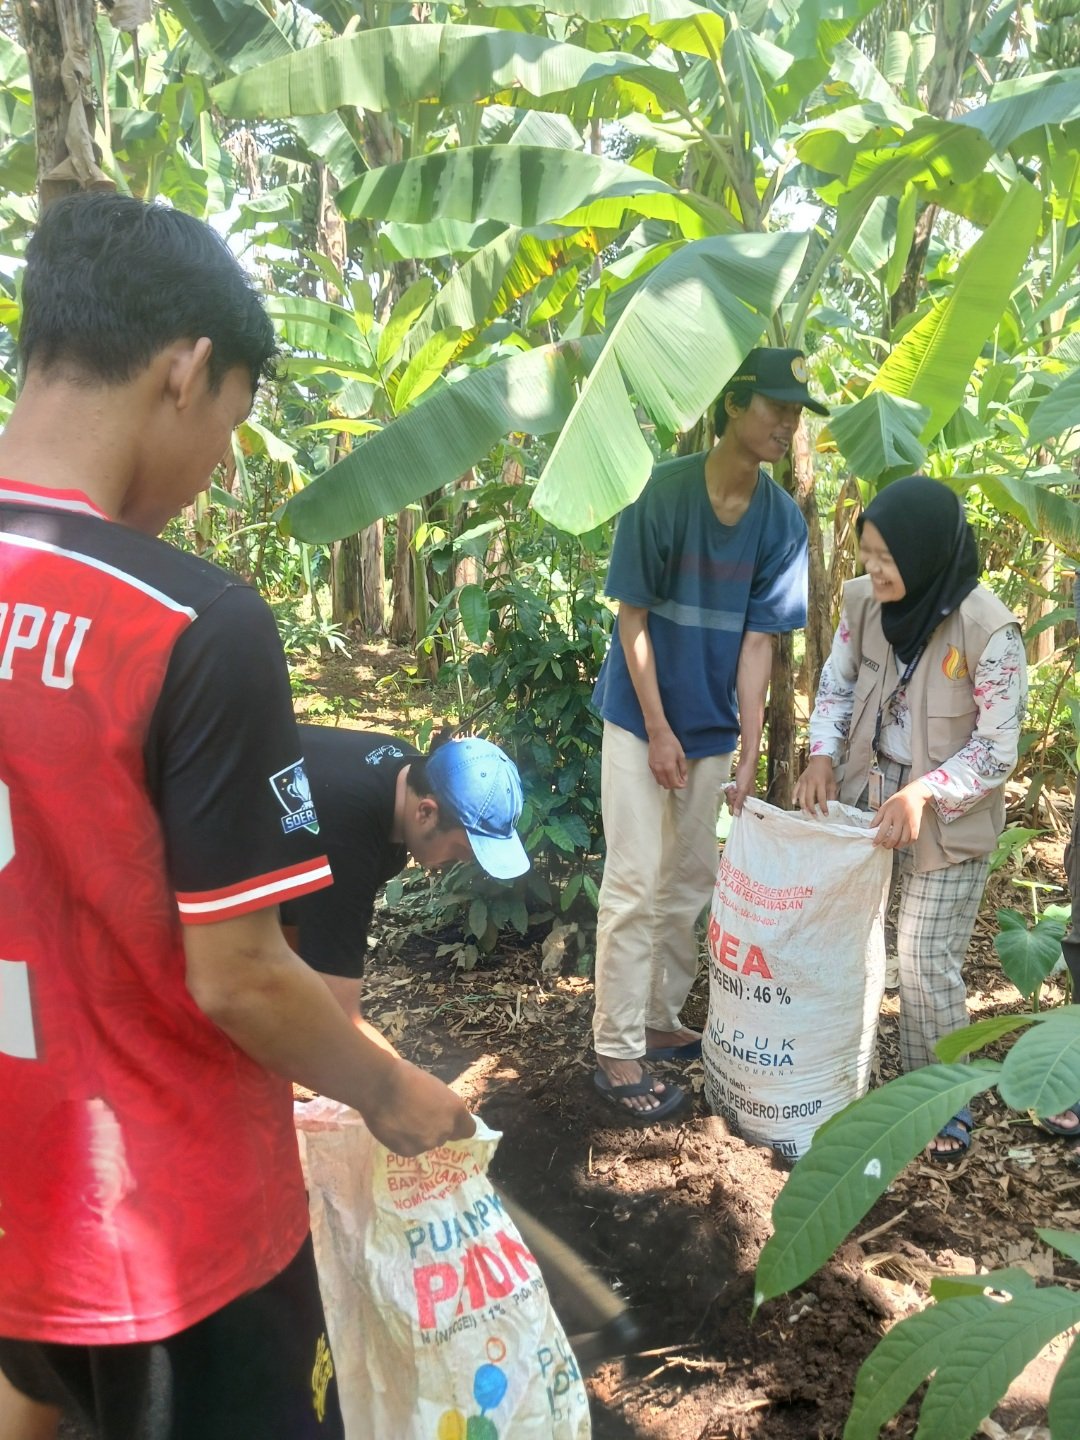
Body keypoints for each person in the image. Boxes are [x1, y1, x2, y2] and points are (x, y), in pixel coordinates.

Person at [0, 192, 471, 1440]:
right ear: (188, 369)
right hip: (171, 1233)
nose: (216, 468)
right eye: (232, 425)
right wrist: (393, 1094)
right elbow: (239, 976)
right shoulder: (188, 621)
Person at [590, 347, 822, 1121]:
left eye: (795, 414)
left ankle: (658, 1020)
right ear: (733, 406)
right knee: (632, 881)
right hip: (639, 717)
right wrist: (657, 729)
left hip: (712, 728)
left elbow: (759, 645)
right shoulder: (661, 491)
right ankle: (616, 1051)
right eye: (775, 408)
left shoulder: (782, 521)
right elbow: (633, 618)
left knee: (688, 883)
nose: (786, 425)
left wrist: (751, 744)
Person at [794, 475, 1026, 1162]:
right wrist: (821, 755)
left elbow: (996, 748)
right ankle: (845, 1075)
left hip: (951, 812)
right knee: (852, 942)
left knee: (924, 958)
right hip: (870, 795)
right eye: (866, 553)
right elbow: (837, 684)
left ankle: (941, 1100)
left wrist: (925, 793)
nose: (873, 569)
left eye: (887, 557)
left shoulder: (990, 629)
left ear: (925, 554)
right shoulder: (863, 602)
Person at [282, 726, 529, 1019]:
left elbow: (298, 926)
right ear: (426, 812)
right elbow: (336, 1016)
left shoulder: (400, 771)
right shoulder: (350, 835)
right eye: (463, 848)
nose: (465, 860)